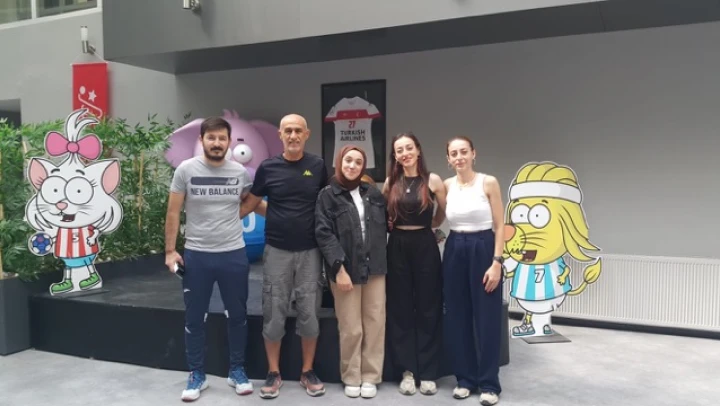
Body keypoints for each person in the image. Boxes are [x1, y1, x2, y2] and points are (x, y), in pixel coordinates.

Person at [164, 116, 258, 402]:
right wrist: (170, 251)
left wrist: (281, 215)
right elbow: (173, 212)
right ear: (201, 140)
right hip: (197, 256)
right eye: (211, 137)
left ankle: (237, 370)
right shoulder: (185, 170)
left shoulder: (240, 172)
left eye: (222, 138)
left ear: (229, 142)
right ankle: (197, 374)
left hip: (233, 255)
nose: (217, 143)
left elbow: (251, 201)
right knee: (195, 317)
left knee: (237, 316)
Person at [241, 113, 329, 399]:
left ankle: (307, 371)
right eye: (288, 131)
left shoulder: (317, 166)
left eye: (298, 131)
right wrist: (220, 218)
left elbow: (328, 204)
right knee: (274, 311)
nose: (293, 136)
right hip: (277, 251)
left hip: (310, 251)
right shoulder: (268, 167)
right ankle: (273, 372)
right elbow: (251, 203)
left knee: (310, 313)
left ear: (307, 134)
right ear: (280, 134)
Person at [315, 145, 388, 399]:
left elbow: (387, 225)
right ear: (339, 162)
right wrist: (338, 268)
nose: (352, 165)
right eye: (348, 160)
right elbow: (323, 233)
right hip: (345, 269)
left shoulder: (373, 193)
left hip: (375, 268)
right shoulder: (327, 195)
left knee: (375, 323)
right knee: (351, 327)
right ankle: (352, 376)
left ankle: (371, 376)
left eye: (358, 162)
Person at [382, 131, 447, 396]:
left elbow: (442, 213)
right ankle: (407, 371)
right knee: (400, 308)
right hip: (397, 245)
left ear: (418, 150)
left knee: (428, 307)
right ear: (395, 156)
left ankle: (428, 372)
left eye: (409, 147)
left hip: (424, 244)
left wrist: (430, 226)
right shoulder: (390, 182)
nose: (405, 153)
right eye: (399, 150)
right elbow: (386, 214)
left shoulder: (433, 180)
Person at [442, 136, 505, 405]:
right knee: (458, 317)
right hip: (455, 247)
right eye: (454, 153)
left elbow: (500, 226)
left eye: (464, 152)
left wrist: (497, 262)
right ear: (448, 159)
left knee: (487, 318)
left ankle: (489, 383)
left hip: (483, 247)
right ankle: (465, 379)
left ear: (473, 153)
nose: (459, 157)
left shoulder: (488, 182)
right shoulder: (446, 185)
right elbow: (437, 217)